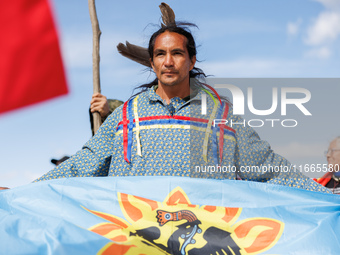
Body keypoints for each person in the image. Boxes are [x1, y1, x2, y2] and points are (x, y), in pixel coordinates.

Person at [32, 20, 329, 193]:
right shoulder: (125, 115)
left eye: (177, 53)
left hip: (206, 236)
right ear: (151, 62)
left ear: (192, 61)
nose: (168, 61)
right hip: (134, 236)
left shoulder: (220, 116)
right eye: (160, 54)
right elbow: (85, 163)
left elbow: (269, 167)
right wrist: (24, 193)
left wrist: (327, 197)